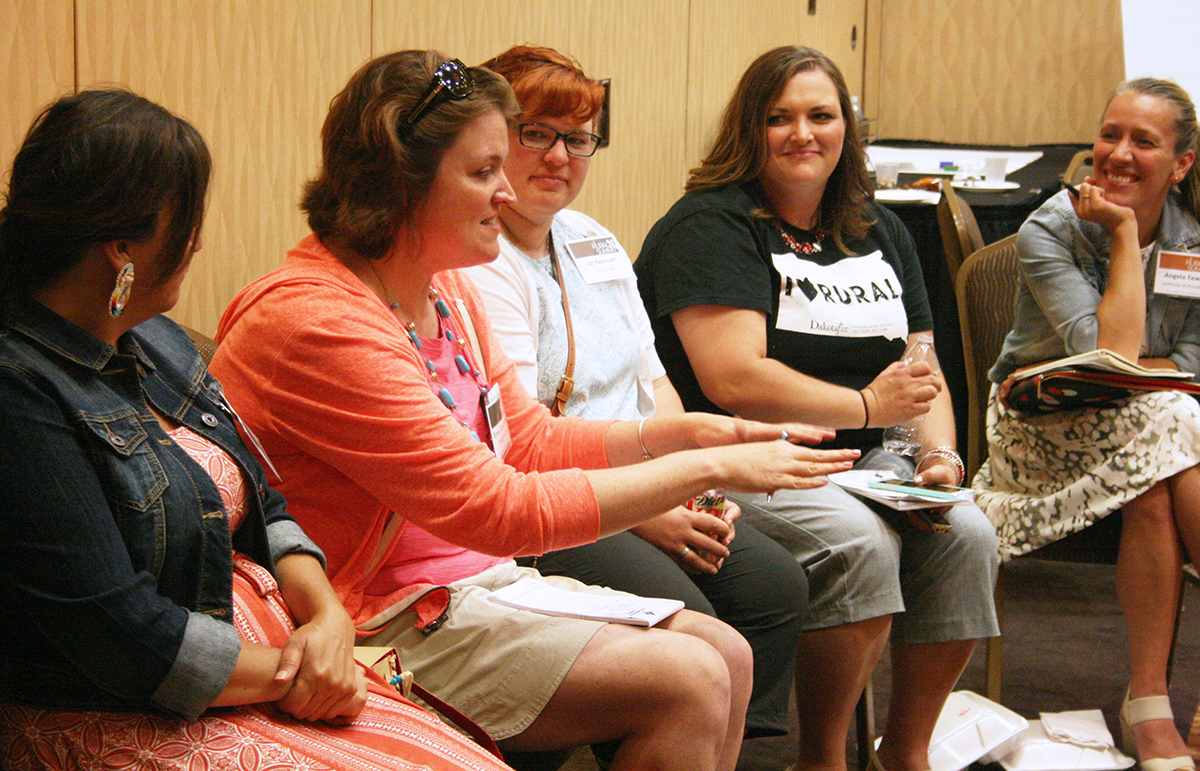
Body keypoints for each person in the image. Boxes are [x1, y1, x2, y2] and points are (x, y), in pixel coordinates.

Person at [210, 49, 860, 771]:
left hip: (468, 585)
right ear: (401, 183)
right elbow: (498, 508)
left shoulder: (443, 288)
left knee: (727, 653)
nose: (505, 191)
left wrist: (693, 433)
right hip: (367, 618)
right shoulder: (319, 322)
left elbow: (526, 439)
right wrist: (707, 467)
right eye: (483, 171)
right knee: (691, 677)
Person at [0, 89, 513, 771]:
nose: (197, 242)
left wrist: (326, 618)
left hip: (273, 669)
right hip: (130, 711)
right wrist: (299, 671)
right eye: (186, 220)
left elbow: (264, 500)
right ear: (121, 246)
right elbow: (120, 638)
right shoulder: (21, 392)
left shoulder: (157, 340)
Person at [634, 45, 1000, 771]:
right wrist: (865, 405)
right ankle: (824, 758)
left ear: (846, 130)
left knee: (967, 535)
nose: (803, 133)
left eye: (821, 116)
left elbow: (920, 368)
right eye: (780, 118)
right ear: (750, 129)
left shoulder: (878, 228)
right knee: (856, 542)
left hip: (866, 461)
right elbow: (735, 377)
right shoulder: (710, 226)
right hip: (743, 456)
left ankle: (907, 753)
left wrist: (938, 459)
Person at [462, 44, 809, 741]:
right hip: (556, 499)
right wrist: (652, 507)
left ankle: (729, 753)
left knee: (775, 587)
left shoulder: (593, 241)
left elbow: (655, 383)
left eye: (578, 138)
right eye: (536, 132)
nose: (558, 156)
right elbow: (519, 444)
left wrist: (688, 487)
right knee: (688, 622)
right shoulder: (479, 259)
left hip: (648, 482)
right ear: (492, 139)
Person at [975, 77, 1200, 771]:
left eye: (1143, 141)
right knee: (1177, 425)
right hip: (1040, 429)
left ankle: (1151, 701)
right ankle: (1152, 710)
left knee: (1163, 458)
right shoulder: (1052, 227)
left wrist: (1140, 373)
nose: (1119, 153)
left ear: (1181, 164)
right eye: (1110, 135)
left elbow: (1193, 361)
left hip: (1158, 427)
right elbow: (1106, 354)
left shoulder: (1195, 239)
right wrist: (1126, 233)